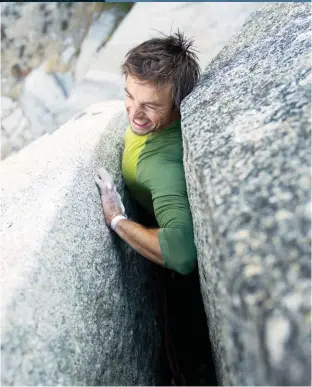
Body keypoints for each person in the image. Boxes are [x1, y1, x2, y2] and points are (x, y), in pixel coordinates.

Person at [95, 31, 216, 386]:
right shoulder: (149, 122)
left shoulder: (161, 167)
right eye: (130, 96)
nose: (135, 112)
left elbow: (181, 253)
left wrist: (117, 219)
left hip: (182, 296)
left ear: (178, 104)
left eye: (150, 105)